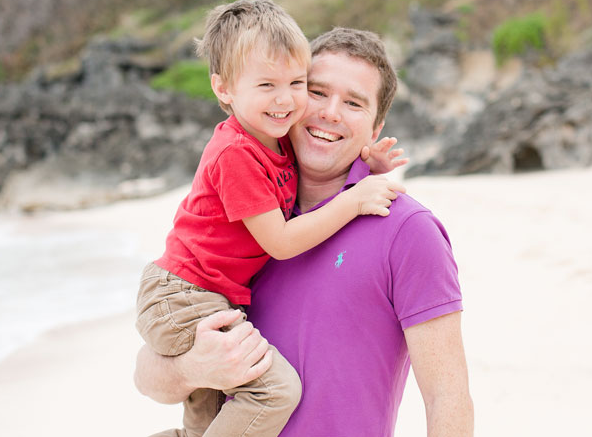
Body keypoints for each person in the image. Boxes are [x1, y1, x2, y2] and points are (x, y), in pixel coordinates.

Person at [135, 27, 474, 437]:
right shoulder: (250, 223)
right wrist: (193, 367)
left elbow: (447, 395)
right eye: (315, 91)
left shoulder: (406, 230)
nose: (330, 112)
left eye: (353, 102)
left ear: (375, 126)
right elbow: (146, 377)